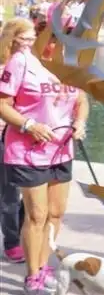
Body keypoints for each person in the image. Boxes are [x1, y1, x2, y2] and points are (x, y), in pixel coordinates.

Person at [0, 16, 89, 294]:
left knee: (56, 213)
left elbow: (82, 100)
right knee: (36, 215)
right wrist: (28, 125)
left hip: (62, 150)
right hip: (28, 151)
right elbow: (2, 104)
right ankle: (32, 276)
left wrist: (80, 123)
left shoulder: (73, 63)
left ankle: (43, 266)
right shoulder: (22, 61)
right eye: (58, 35)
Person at [0, 21, 27, 264]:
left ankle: (20, 232)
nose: (30, 43)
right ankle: (11, 242)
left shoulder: (31, 64)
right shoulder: (3, 65)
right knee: (9, 193)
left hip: (21, 132)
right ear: (13, 38)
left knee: (30, 190)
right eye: (25, 38)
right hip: (3, 133)